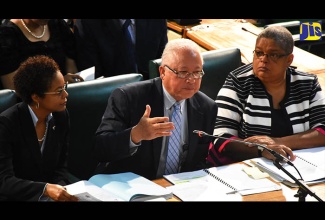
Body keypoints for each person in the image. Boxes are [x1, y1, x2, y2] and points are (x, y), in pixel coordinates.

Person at [94, 38, 218, 180]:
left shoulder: (207, 108)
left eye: (197, 72)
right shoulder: (128, 98)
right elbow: (100, 150)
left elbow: (198, 161)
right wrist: (135, 135)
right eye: (183, 72)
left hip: (178, 189)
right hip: (131, 186)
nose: (191, 80)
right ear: (163, 72)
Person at [207, 26, 325, 167]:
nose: (263, 59)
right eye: (259, 53)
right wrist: (261, 150)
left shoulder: (307, 83)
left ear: (289, 60)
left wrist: (277, 143)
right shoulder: (238, 81)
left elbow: (322, 131)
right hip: (246, 166)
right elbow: (220, 137)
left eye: (273, 55)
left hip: (298, 165)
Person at [0, 55, 79, 201]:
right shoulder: (7, 124)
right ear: (36, 97)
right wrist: (45, 189)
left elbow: (61, 167)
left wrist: (60, 191)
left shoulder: (61, 116)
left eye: (65, 87)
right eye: (58, 91)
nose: (66, 95)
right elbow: (4, 180)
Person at [0, 19, 83, 90]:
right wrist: (56, 84)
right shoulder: (6, 35)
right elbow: (13, 88)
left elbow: (72, 70)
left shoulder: (58, 24)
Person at [73, 19, 168, 80]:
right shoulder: (87, 23)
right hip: (110, 96)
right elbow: (93, 77)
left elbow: (162, 61)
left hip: (151, 91)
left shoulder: (156, 21)